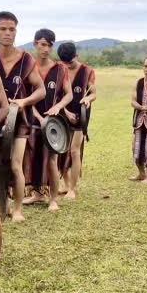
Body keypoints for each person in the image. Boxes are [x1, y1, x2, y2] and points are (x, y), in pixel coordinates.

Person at [0, 11, 43, 221]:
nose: (8, 33)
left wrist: (24, 102)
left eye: (12, 30)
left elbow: (41, 90)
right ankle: (2, 205)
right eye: (3, 29)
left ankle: (18, 209)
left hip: (20, 121)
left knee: (16, 164)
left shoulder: (26, 59)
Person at [26, 28, 71, 212]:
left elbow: (68, 95)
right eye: (43, 44)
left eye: (49, 45)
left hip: (53, 123)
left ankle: (53, 199)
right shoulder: (28, 66)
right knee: (32, 157)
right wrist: (36, 115)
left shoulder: (60, 69)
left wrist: (58, 107)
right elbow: (26, 95)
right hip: (32, 120)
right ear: (35, 43)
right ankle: (37, 194)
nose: (46, 49)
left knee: (52, 159)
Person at [57, 41, 96, 198]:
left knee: (74, 150)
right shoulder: (59, 69)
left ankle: (72, 189)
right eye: (65, 63)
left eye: (70, 62)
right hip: (62, 114)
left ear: (76, 56)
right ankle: (66, 185)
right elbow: (58, 96)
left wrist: (88, 99)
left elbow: (93, 92)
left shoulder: (87, 71)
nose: (67, 66)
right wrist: (65, 111)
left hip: (81, 115)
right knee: (61, 149)